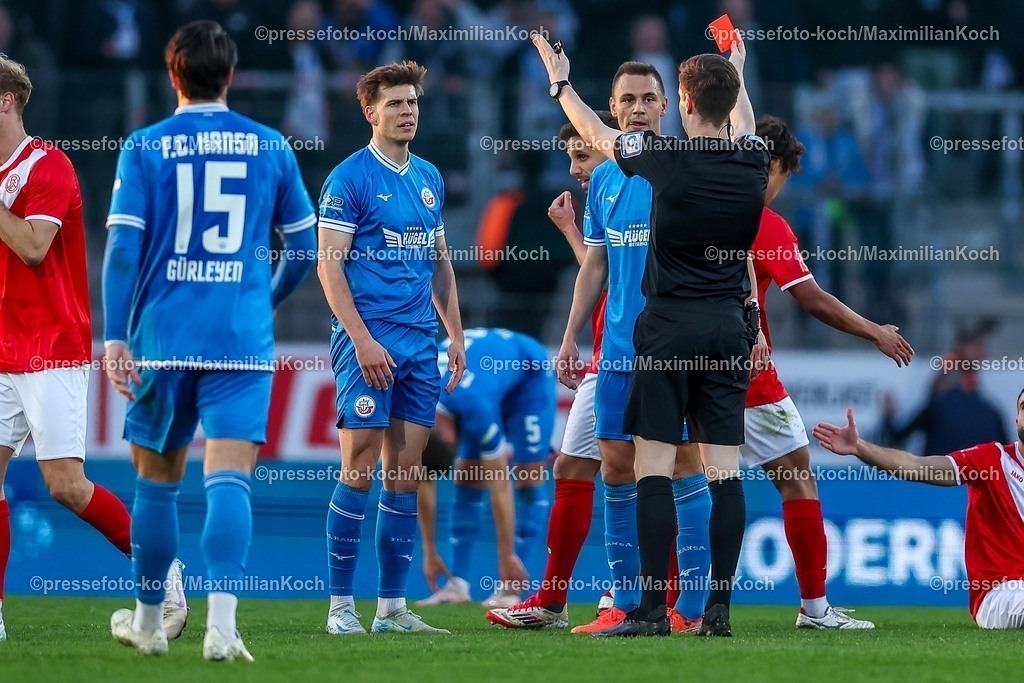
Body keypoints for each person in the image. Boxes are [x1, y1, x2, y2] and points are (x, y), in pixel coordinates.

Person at [534, 34, 766, 637]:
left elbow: (595, 133)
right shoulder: (753, 159)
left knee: (654, 468)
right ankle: (717, 611)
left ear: (681, 103)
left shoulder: (667, 160)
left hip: (668, 329)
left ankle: (651, 610)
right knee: (725, 473)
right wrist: (737, 70)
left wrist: (560, 83)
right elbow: (741, 121)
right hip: (727, 329)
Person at [102, 21, 317, 660]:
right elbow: (304, 248)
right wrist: (261, 301)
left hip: (163, 338)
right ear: (230, 75)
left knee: (156, 483)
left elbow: (122, 248)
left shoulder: (144, 146)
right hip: (239, 340)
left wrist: (114, 337)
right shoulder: (270, 145)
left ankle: (150, 622)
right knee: (229, 479)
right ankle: (222, 627)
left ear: (173, 75)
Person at [0, 54, 185, 645]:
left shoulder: (47, 164)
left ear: (6, 100)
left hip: (50, 346)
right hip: (1, 347)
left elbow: (33, 246)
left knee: (65, 485)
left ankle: (164, 574)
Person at [550, 61, 713, 637]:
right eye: (628, 100)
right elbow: (595, 264)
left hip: (674, 347)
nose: (638, 108)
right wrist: (571, 336)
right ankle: (623, 602)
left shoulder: (681, 167)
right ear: (614, 109)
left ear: (667, 106)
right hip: (618, 350)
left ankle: (691, 607)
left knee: (685, 465)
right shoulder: (604, 181)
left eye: (648, 98)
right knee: (617, 469)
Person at [745, 114, 914, 630]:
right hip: (747, 377)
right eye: (783, 176)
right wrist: (875, 332)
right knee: (798, 481)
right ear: (776, 165)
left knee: (684, 484)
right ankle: (815, 609)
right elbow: (812, 298)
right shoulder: (763, 222)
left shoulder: (688, 206)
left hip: (681, 368)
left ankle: (670, 606)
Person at [317, 60, 465, 636]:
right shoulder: (348, 179)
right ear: (370, 112)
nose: (408, 112)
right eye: (396, 103)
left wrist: (454, 334)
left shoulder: (429, 177)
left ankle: (392, 609)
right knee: (358, 468)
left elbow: (441, 264)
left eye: (413, 102)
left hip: (420, 345)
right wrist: (361, 340)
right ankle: (340, 608)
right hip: (368, 343)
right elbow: (329, 268)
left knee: (405, 475)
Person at [486, 114, 612, 632]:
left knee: (657, 474)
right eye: (570, 158)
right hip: (606, 355)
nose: (575, 169)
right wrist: (570, 231)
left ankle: (652, 597)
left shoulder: (646, 190)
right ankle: (552, 602)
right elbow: (601, 271)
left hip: (652, 355)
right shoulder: (604, 199)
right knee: (573, 468)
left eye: (583, 156)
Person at [813, 390, 1024, 630]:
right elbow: (917, 465)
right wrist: (860, 447)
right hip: (1000, 594)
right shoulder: (992, 460)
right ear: (1016, 420)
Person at [417, 328, 554, 608]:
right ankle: (457, 585)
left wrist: (506, 555)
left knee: (528, 477)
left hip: (528, 375)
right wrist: (429, 551)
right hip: (481, 377)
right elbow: (422, 477)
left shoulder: (474, 406)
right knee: (469, 475)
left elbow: (499, 481)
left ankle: (511, 585)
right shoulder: (413, 410)